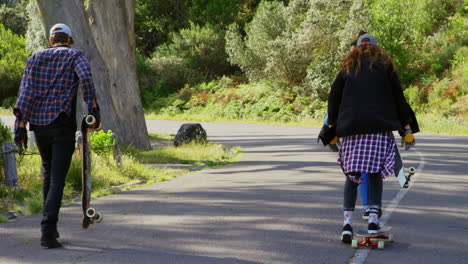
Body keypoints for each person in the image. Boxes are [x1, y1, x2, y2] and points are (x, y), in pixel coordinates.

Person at [13, 23, 100, 248]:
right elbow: (87, 79)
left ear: (51, 40)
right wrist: (93, 108)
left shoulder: (34, 58)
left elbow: (25, 92)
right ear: (69, 40)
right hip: (62, 124)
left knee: (48, 174)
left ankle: (49, 227)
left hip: (39, 126)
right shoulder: (75, 56)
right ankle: (48, 231)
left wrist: (19, 126)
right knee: (57, 178)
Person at [327, 33, 415, 243]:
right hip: (378, 129)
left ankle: (347, 224)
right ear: (377, 48)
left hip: (351, 129)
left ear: (356, 48)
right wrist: (406, 128)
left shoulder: (346, 69)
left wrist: (332, 128)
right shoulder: (385, 68)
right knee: (374, 173)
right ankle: (373, 220)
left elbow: (333, 98)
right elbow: (398, 99)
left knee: (352, 175)